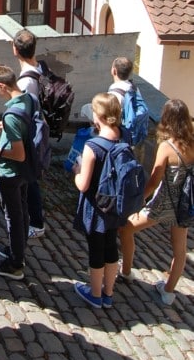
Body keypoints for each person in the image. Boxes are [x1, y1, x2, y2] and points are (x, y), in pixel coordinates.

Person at [119, 98, 194, 306]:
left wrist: (139, 200)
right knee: (179, 251)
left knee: (126, 229)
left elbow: (154, 181)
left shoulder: (167, 148)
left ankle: (126, 271)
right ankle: (169, 291)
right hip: (185, 204)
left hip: (164, 202)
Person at [72, 93, 122, 309]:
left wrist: (76, 171)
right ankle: (108, 293)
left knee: (96, 248)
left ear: (98, 115)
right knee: (111, 247)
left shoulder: (94, 146)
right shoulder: (122, 136)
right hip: (116, 205)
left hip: (96, 206)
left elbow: (83, 184)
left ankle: (94, 293)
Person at [0, 64, 32, 281]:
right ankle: (18, 248)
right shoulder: (29, 99)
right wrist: (6, 128)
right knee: (22, 211)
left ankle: (15, 264)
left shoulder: (11, 116)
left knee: (12, 216)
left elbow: (18, 153)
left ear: (2, 86)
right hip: (25, 171)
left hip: (10, 172)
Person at [12, 28, 46, 239]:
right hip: (40, 128)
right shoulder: (40, 68)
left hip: (29, 134)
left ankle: (36, 222)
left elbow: (23, 112)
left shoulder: (25, 82)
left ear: (15, 50)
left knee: (29, 178)